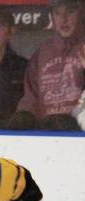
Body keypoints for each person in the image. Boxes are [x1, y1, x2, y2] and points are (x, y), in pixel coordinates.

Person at [9, 0, 85, 130]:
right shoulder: (42, 52)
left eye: (70, 12)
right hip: (46, 132)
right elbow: (30, 98)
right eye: (57, 13)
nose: (63, 19)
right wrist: (24, 115)